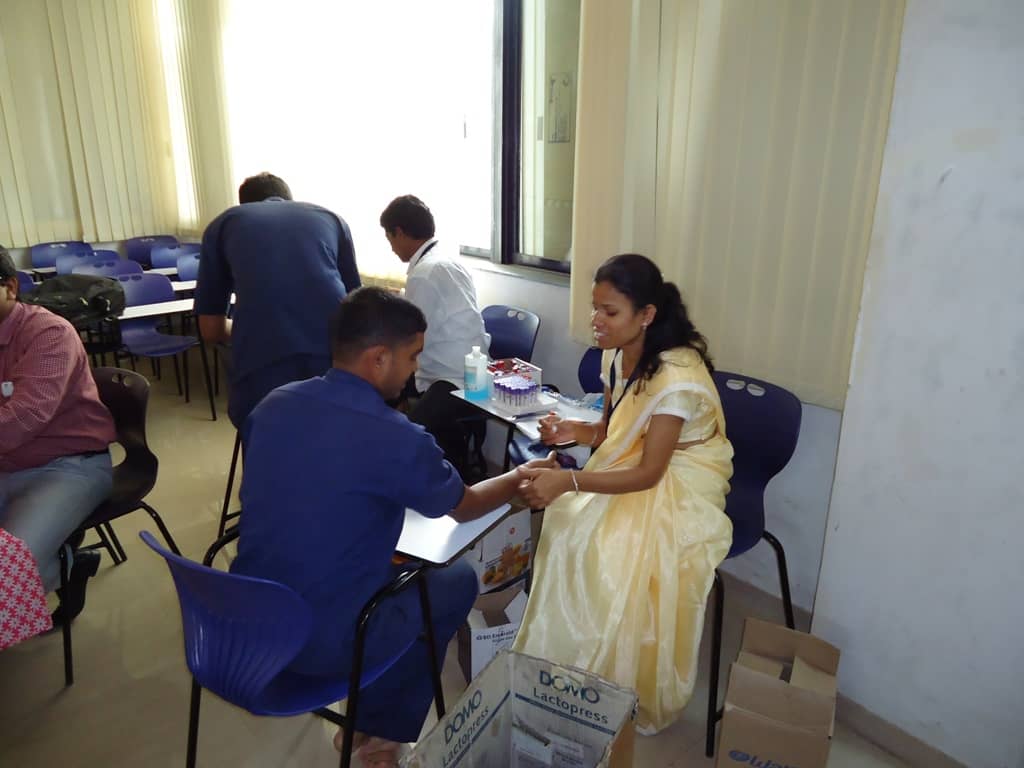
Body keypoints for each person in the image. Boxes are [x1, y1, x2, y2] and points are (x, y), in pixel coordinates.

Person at [230, 287, 554, 766]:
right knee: (452, 582)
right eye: (412, 357)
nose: (416, 371)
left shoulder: (274, 404)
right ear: (378, 358)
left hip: (243, 624)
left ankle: (365, 718)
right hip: (317, 644)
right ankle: (381, 733)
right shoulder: (394, 436)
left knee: (389, 568)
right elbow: (462, 507)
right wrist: (518, 476)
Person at [512, 253, 734, 734]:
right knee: (572, 524)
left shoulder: (676, 380)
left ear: (647, 315)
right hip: (642, 463)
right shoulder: (616, 354)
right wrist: (573, 430)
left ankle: (615, 677)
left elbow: (650, 471)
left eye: (609, 312)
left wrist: (568, 480)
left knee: (605, 546)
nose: (596, 322)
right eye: (595, 308)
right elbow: (616, 429)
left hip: (681, 476)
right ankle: (573, 663)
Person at [0, 246, 115, 624]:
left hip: (67, 466)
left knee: (5, 572)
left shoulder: (47, 332)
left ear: (10, 288)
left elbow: (25, 416)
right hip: (7, 463)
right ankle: (63, 561)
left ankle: (65, 564)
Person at [196, 172, 361, 427]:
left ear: (246, 205)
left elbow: (210, 330)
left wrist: (246, 327)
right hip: (334, 365)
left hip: (262, 368)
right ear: (290, 200)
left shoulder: (225, 224)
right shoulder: (332, 219)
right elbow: (356, 310)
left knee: (268, 443)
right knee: (333, 438)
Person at [380, 195, 490, 478]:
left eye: (389, 238)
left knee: (409, 434)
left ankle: (452, 488)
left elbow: (412, 339)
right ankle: (459, 478)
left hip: (451, 378)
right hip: (473, 372)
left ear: (400, 232)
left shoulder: (425, 273)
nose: (391, 247)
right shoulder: (445, 261)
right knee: (431, 428)